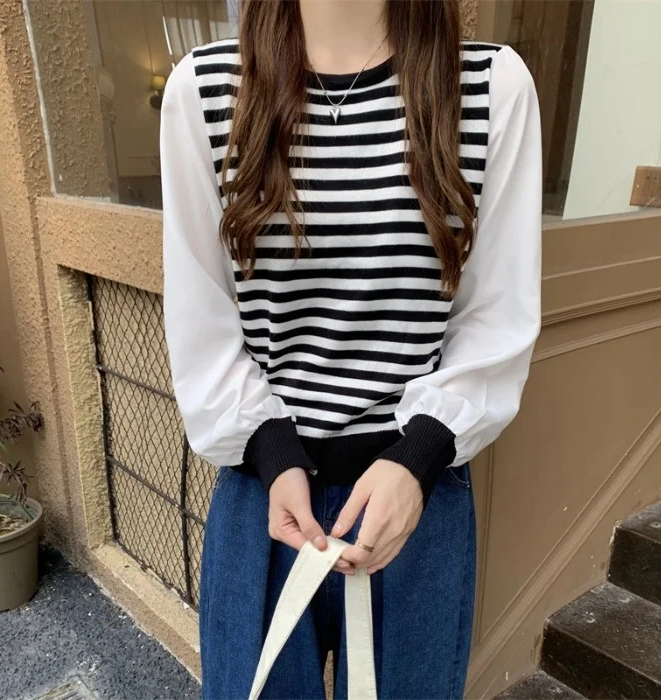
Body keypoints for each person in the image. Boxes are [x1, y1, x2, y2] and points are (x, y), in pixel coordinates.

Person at [160, 0, 541, 697]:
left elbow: (498, 312)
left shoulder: (490, 87)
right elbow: (200, 318)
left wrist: (419, 454)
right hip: (267, 498)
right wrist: (270, 450)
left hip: (416, 496)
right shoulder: (208, 91)